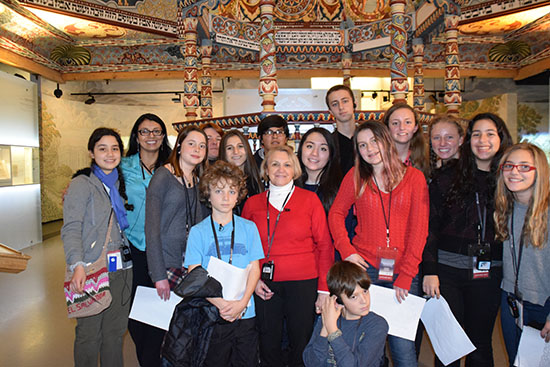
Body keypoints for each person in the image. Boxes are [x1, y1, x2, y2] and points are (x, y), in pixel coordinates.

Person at [328, 121, 429, 367]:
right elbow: (336, 214)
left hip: (403, 273)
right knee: (367, 345)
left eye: (374, 141)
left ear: (386, 141)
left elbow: (419, 230)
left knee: (403, 346)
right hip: (365, 271)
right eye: (362, 145)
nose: (369, 149)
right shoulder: (356, 177)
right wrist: (348, 251)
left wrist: (407, 274)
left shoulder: (415, 178)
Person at [422, 113, 513, 366]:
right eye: (476, 134)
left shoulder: (509, 178)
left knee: (480, 345)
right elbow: (430, 227)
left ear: (500, 138)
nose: (482, 140)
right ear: (468, 140)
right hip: (447, 272)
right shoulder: (447, 176)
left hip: (489, 272)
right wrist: (430, 270)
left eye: (490, 134)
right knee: (448, 344)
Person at [242, 144, 334, 367]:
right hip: (265, 284)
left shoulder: (310, 201)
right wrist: (252, 282)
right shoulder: (252, 204)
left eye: (286, 164)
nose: (280, 169)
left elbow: (325, 245)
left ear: (295, 170)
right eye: (274, 164)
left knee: (300, 343)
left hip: (303, 283)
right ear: (265, 169)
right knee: (268, 343)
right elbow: (244, 249)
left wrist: (323, 289)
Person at [62, 127, 133, 367]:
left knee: (115, 333)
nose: (110, 154)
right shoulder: (82, 184)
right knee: (89, 335)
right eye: (102, 148)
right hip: (91, 268)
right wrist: (77, 265)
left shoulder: (118, 184)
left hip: (122, 270)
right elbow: (71, 228)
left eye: (115, 149)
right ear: (91, 152)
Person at [184, 160, 264, 366]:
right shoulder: (197, 232)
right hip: (212, 312)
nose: (226, 197)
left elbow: (255, 268)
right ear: (208, 194)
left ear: (239, 194)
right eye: (219, 191)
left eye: (231, 191)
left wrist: (242, 303)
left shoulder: (249, 228)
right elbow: (195, 273)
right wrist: (222, 305)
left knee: (247, 361)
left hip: (246, 311)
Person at [122, 113, 172, 367]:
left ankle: (153, 360)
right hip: (132, 247)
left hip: (162, 249)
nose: (151, 136)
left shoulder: (172, 166)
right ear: (136, 136)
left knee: (159, 311)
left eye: (156, 131)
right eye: (145, 131)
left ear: (163, 136)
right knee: (133, 313)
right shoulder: (123, 165)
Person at [494, 143, 550, 365]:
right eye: (509, 166)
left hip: (542, 304)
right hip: (511, 302)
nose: (514, 172)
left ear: (540, 171)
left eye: (524, 167)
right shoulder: (504, 209)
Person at [145, 126, 209, 301]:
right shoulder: (163, 176)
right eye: (191, 143)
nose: (197, 149)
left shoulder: (198, 179)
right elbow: (151, 229)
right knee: (169, 322)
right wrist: (158, 275)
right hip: (167, 261)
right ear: (179, 146)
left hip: (190, 261)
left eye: (202, 146)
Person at [303, 261, 389, 367]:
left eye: (365, 291)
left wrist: (333, 331)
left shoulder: (377, 325)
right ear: (338, 300)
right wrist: (325, 329)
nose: (364, 301)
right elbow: (311, 363)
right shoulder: (328, 318)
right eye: (354, 297)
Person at [296, 127, 343, 214]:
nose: (314, 153)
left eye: (323, 149)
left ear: (330, 155)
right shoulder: (289, 187)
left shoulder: (340, 191)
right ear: (301, 149)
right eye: (309, 146)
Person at [219, 129, 264, 214]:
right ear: (223, 152)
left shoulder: (256, 178)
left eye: (240, 146)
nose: (235, 152)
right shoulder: (219, 182)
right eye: (229, 148)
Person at [383, 103, 430, 179]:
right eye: (395, 123)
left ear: (415, 127)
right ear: (387, 128)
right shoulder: (377, 159)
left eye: (407, 122)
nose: (402, 127)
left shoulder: (426, 158)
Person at [326, 84, 357, 175]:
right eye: (335, 104)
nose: (341, 107)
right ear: (330, 111)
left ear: (354, 104)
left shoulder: (369, 139)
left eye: (345, 101)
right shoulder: (328, 144)